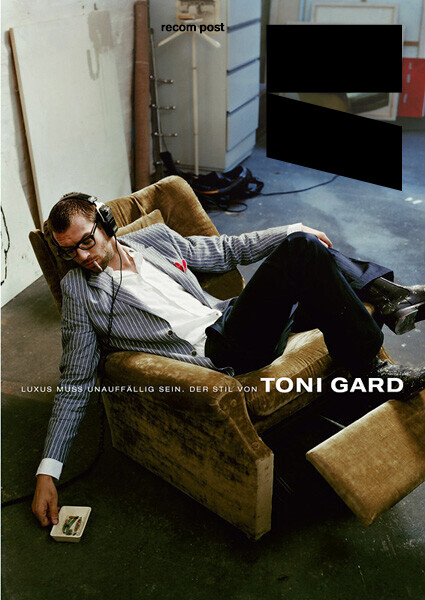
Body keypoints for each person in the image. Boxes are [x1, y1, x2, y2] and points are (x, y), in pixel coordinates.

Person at [32, 193, 425, 527]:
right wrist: (48, 472)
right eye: (69, 251)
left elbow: (226, 250)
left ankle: (388, 303)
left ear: (106, 224)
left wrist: (291, 227)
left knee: (311, 254)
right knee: (302, 250)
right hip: (220, 351)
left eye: (87, 242)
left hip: (231, 317)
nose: (82, 256)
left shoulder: (153, 240)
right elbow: (75, 381)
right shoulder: (79, 293)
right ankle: (387, 316)